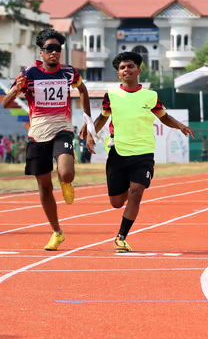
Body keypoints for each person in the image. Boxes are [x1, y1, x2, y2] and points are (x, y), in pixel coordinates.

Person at [89, 51, 194, 252]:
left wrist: (180, 126)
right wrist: (91, 134)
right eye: (122, 68)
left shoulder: (151, 96)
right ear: (118, 74)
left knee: (137, 192)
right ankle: (130, 189)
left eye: (129, 66)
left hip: (144, 153)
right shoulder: (111, 95)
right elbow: (102, 117)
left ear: (139, 70)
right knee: (116, 202)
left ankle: (121, 237)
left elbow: (163, 117)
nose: (126, 70)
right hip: (118, 152)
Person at [2, 28, 93, 250]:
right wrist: (17, 91)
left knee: (67, 172)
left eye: (58, 49)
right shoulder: (30, 73)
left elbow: (83, 90)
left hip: (62, 128)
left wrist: (87, 122)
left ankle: (65, 181)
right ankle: (57, 232)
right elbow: (5, 102)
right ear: (41, 52)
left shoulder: (69, 73)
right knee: (43, 187)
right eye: (49, 49)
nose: (54, 53)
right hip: (37, 133)